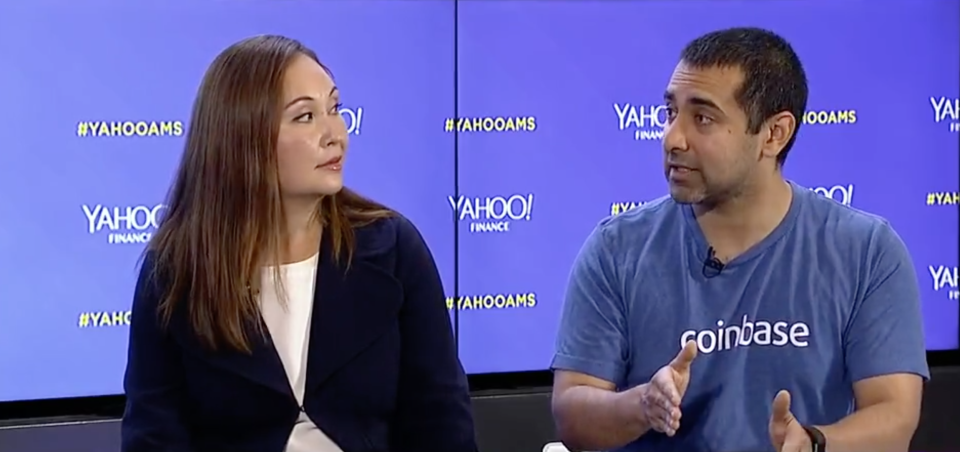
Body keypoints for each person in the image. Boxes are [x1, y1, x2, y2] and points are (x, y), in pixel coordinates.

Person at [551, 27, 928, 452]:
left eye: (703, 118)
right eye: (670, 112)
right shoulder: (616, 250)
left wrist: (815, 444)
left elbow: (894, 415)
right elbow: (572, 413)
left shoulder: (867, 252)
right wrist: (643, 405)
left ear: (774, 134)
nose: (673, 138)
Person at [121, 35, 478, 452]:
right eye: (305, 116)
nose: (335, 135)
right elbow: (153, 436)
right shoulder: (176, 272)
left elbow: (441, 422)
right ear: (243, 137)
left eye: (334, 109)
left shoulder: (394, 250)